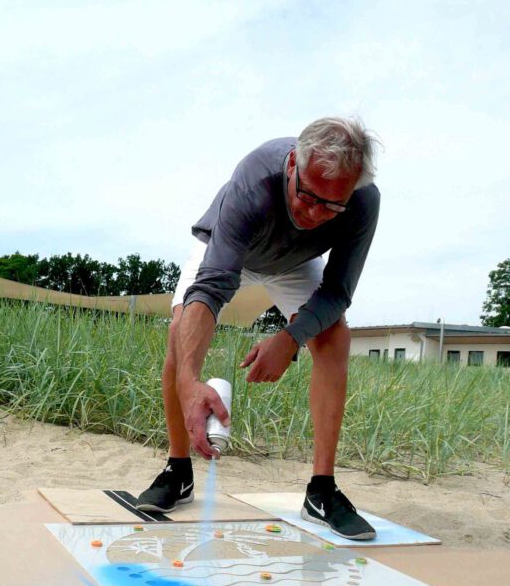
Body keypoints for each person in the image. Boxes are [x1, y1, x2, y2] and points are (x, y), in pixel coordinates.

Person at [136, 117, 381, 540]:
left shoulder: (363, 202)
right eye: (307, 195)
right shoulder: (255, 178)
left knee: (335, 337)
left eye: (331, 206)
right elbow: (212, 285)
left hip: (294, 263)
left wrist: (290, 339)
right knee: (180, 332)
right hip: (232, 250)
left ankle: (321, 490)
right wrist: (190, 381)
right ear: (292, 165)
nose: (314, 213)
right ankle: (178, 470)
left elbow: (338, 291)